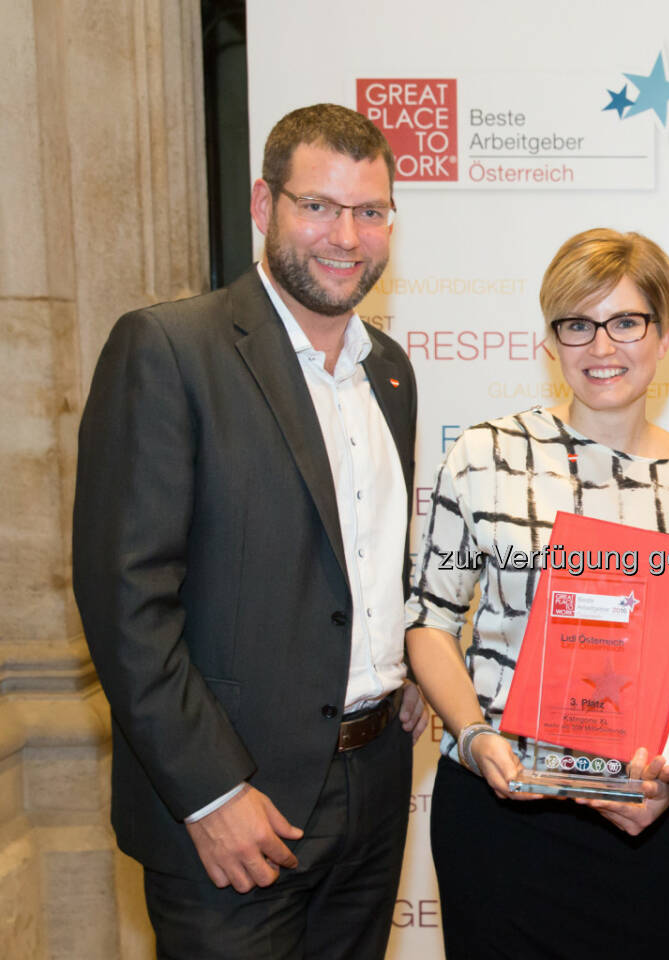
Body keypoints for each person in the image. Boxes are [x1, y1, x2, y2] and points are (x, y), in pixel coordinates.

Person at [72, 103, 426, 959]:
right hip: (238, 812)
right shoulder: (168, 349)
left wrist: (401, 655)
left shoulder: (390, 371)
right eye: (319, 207)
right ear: (265, 207)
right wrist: (209, 793)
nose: (346, 236)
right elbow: (127, 602)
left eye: (369, 212)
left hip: (374, 789)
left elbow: (361, 560)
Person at [406, 227, 669, 958]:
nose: (601, 346)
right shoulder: (486, 455)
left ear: (665, 334)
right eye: (577, 324)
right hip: (501, 811)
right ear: (550, 340)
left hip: (641, 816)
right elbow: (429, 619)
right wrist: (473, 735)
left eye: (626, 322)